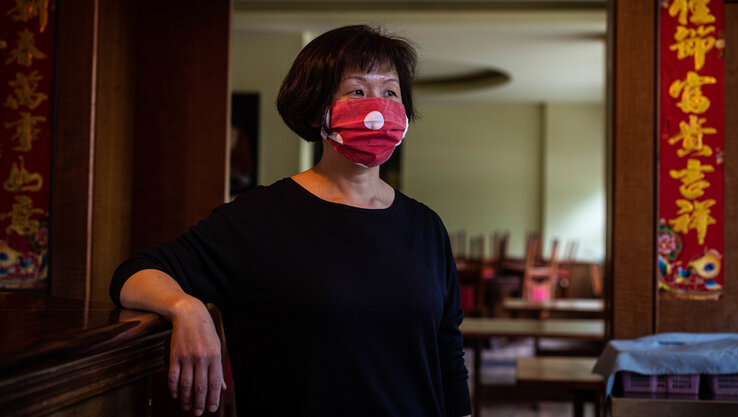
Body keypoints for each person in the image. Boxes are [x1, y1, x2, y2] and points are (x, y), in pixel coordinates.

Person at [110, 25, 471, 417]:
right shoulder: (259, 217)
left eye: (389, 92)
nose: (376, 106)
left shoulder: (426, 227)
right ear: (318, 108)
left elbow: (447, 351)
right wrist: (185, 306)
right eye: (357, 91)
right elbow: (133, 274)